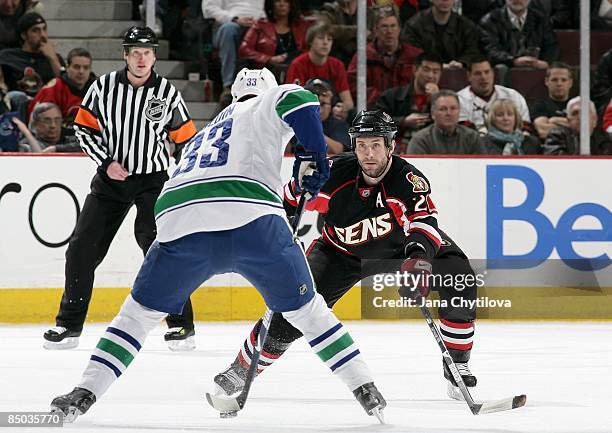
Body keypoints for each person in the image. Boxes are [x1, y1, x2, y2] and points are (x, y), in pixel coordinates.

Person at [49, 68, 386, 423]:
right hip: (250, 215)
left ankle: (83, 392)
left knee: (135, 317)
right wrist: (314, 153)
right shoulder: (264, 104)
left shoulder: (207, 130)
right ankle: (365, 388)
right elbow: (301, 99)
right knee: (308, 312)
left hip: (179, 220)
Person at [212, 109, 479, 403]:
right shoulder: (332, 173)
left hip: (400, 249)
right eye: (361, 145)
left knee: (459, 274)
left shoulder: (408, 179)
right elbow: (285, 201)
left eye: (376, 144)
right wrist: (278, 226)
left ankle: (456, 365)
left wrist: (417, 260)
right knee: (295, 309)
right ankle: (242, 369)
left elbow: (424, 223)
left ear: (391, 145)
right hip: (340, 253)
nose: (368, 153)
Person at [42, 27, 199, 351]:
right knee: (82, 249)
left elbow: (186, 138)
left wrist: (182, 178)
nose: (141, 58)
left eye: (147, 52)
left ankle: (182, 326)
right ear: (125, 56)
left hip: (152, 180)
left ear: (155, 55)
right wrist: (107, 162)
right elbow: (84, 129)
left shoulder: (166, 92)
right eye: (135, 52)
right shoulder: (103, 87)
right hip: (110, 180)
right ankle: (68, 325)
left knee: (162, 249)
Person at [347, 5, 422, 108]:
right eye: (384, 26)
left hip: (406, 108)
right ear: (375, 31)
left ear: (399, 29)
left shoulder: (414, 55)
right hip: (375, 108)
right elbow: (353, 85)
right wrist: (382, 98)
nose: (389, 31)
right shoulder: (363, 56)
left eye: (393, 26)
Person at [286, 20, 353, 119]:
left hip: (331, 115)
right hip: (305, 115)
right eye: (321, 38)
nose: (325, 42)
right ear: (310, 41)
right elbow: (292, 100)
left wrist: (341, 109)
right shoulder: (298, 65)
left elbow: (348, 102)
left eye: (329, 39)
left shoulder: (338, 65)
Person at [375, 53, 442, 147]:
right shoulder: (391, 96)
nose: (430, 76)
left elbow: (450, 127)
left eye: (435, 72)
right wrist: (403, 122)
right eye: (426, 70)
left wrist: (436, 101)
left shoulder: (445, 99)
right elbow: (376, 123)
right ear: (415, 70)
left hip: (432, 148)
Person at [202, 0, 266, 100]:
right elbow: (209, 9)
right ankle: (228, 85)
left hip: (260, 24)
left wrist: (260, 20)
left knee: (271, 32)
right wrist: (234, 19)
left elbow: (271, 6)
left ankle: (266, 86)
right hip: (231, 23)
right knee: (228, 30)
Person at [478, 0, 559, 72]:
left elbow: (552, 46)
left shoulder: (541, 19)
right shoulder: (490, 20)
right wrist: (513, 61)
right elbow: (490, 50)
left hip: (536, 67)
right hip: (506, 67)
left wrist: (546, 62)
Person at [457, 57, 530, 134]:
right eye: (478, 73)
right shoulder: (459, 99)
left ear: (493, 73)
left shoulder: (512, 95)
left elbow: (525, 125)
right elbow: (463, 131)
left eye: (487, 72)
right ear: (469, 76)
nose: (483, 77)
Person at [402, 0, 481, 69]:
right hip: (425, 73)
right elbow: (411, 54)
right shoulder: (414, 25)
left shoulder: (466, 26)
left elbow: (472, 51)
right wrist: (436, 65)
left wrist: (462, 63)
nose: (445, 0)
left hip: (457, 75)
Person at [238, 0, 311, 73]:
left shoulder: (302, 25)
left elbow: (310, 50)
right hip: (267, 73)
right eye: (277, 0)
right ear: (271, 4)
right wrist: (268, 59)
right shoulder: (260, 25)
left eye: (286, 1)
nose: (282, 4)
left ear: (291, 5)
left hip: (297, 71)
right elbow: (244, 49)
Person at [0, 12, 64, 96]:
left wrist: (53, 59)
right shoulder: (8, 56)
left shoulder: (55, 59)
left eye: (44, 29)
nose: (43, 35)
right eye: (35, 31)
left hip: (49, 105)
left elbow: (67, 87)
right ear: (24, 35)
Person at [27, 48, 95, 124]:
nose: (81, 72)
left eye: (86, 68)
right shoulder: (53, 90)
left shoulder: (98, 90)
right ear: (67, 67)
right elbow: (38, 122)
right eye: (76, 67)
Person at [407, 90, 487, 154]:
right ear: (433, 114)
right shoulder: (420, 140)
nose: (449, 113)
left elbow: (480, 169)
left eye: (453, 108)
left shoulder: (472, 138)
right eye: (443, 109)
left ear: (459, 111)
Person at [543, 96, 612, 155]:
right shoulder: (557, 136)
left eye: (585, 112)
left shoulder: (607, 139)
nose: (580, 117)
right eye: (575, 113)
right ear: (568, 121)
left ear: (595, 119)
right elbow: (556, 164)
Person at [303, 77, 350, 153]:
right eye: (314, 104)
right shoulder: (296, 121)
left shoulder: (339, 124)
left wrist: (314, 131)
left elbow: (339, 150)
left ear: (331, 104)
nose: (318, 109)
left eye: (322, 104)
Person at [530, 62, 573, 140]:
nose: (559, 84)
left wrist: (553, 120)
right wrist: (569, 124)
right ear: (546, 81)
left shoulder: (578, 105)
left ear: (570, 83)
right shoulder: (539, 106)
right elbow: (543, 131)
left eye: (563, 80)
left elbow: (583, 129)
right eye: (554, 80)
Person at [16, 102, 81, 152]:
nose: (53, 125)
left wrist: (56, 149)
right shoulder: (28, 144)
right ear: (35, 124)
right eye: (47, 121)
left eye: (57, 120)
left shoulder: (70, 140)